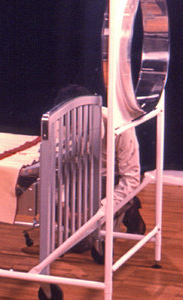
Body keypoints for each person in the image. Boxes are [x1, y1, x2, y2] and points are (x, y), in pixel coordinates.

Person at [53, 84, 145, 235]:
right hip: (77, 178)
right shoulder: (59, 123)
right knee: (78, 243)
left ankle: (129, 209)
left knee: (95, 240)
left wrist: (104, 209)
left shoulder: (120, 127)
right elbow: (57, 166)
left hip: (107, 179)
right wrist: (62, 204)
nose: (76, 128)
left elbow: (131, 177)